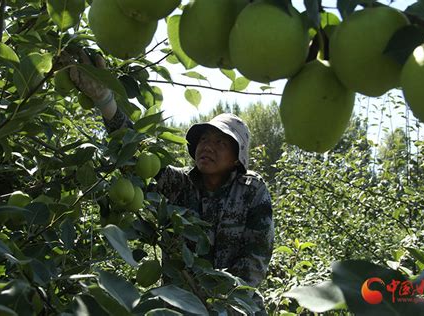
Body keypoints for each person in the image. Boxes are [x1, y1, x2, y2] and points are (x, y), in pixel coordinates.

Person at [68, 51, 275, 311]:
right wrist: (105, 101)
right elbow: (138, 160)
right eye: (204, 140)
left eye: (220, 142)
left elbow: (255, 259)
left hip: (236, 308)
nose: (208, 147)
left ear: (237, 159)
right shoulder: (180, 184)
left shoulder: (251, 190)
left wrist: (221, 304)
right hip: (181, 307)